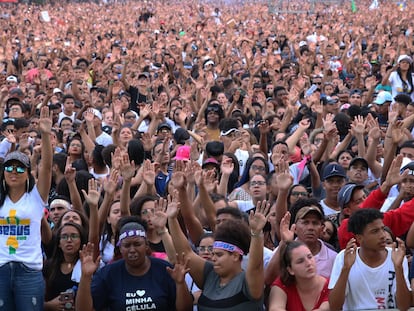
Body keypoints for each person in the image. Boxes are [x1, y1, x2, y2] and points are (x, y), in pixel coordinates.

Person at [168, 197, 269, 310]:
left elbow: (256, 266)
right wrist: (172, 220)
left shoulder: (248, 282)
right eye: (213, 253)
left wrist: (256, 233)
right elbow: (186, 253)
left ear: (235, 256)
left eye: (219, 255)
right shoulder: (209, 274)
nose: (213, 258)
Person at [76, 216, 193, 311]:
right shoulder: (108, 274)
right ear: (120, 248)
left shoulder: (165, 270)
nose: (132, 250)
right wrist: (85, 277)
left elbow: (186, 309)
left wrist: (180, 283)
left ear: (147, 245)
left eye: (137, 244)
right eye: (127, 245)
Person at [0, 107, 52, 311]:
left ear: (28, 173)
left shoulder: (36, 198)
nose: (14, 171)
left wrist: (46, 135)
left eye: (20, 168)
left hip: (28, 272)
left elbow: (46, 168)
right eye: (9, 167)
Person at [328, 209, 411, 311]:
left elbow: (404, 306)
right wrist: (346, 269)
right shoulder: (344, 257)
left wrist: (398, 269)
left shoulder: (396, 255)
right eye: (375, 231)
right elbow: (334, 307)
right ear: (359, 238)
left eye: (382, 229)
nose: (383, 236)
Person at [268, 241, 330, 311]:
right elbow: (275, 308)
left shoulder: (329, 286)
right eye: (300, 261)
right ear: (290, 270)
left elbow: (325, 308)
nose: (309, 263)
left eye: (310, 257)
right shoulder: (282, 284)